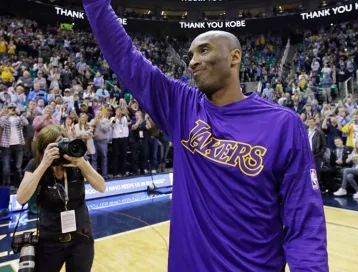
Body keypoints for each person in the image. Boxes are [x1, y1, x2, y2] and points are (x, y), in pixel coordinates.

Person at [83, 0, 328, 271]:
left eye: (203, 51)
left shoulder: (283, 123)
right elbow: (124, 56)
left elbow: (304, 221)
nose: (193, 62)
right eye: (190, 55)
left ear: (234, 57)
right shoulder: (181, 106)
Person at [16, 125, 106, 272]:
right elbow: (21, 198)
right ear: (43, 149)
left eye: (63, 143)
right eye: (55, 145)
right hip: (50, 240)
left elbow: (101, 187)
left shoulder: (76, 161)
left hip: (81, 238)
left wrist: (83, 164)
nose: (61, 148)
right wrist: (44, 164)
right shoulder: (36, 164)